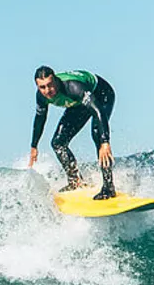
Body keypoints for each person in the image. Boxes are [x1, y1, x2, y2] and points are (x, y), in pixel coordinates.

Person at [27, 66, 116, 200]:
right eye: (42, 87)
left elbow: (98, 111)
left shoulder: (72, 87)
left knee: (97, 133)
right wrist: (34, 146)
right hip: (77, 103)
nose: (47, 90)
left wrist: (105, 141)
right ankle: (76, 182)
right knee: (58, 143)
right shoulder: (41, 96)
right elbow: (40, 118)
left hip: (101, 94)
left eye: (50, 85)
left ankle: (109, 187)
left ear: (55, 80)